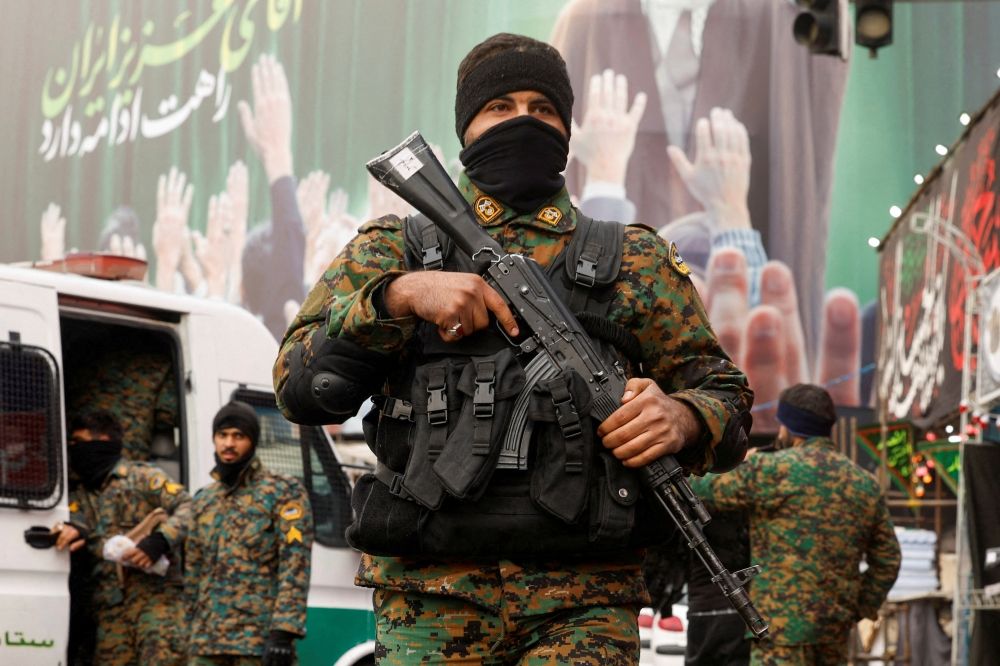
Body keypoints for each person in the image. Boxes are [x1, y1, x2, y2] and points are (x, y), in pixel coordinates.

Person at [275, 32, 753, 664]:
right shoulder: (394, 249)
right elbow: (300, 388)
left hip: (584, 599)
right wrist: (397, 297)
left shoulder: (634, 259)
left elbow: (726, 397)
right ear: (466, 127)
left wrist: (684, 417)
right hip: (429, 595)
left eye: (542, 108)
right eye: (500, 107)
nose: (523, 121)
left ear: (567, 129)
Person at [690, 384, 901, 665]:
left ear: (790, 428)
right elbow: (888, 560)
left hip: (780, 633)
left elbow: (700, 489)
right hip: (834, 634)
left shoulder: (771, 469)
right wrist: (857, 609)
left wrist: (742, 462)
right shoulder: (864, 484)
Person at [54, 409, 191, 665]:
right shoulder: (78, 495)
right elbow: (78, 527)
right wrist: (77, 531)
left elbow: (189, 506)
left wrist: (160, 540)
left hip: (157, 604)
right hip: (110, 611)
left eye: (80, 442)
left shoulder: (143, 477)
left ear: (104, 441)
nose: (75, 450)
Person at [185, 401, 313, 665]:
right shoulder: (204, 499)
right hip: (206, 642)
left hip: (257, 641)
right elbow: (193, 570)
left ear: (252, 441)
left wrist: (283, 632)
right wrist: (187, 628)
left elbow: (295, 563)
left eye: (238, 436)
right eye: (222, 435)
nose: (228, 443)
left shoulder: (283, 491)